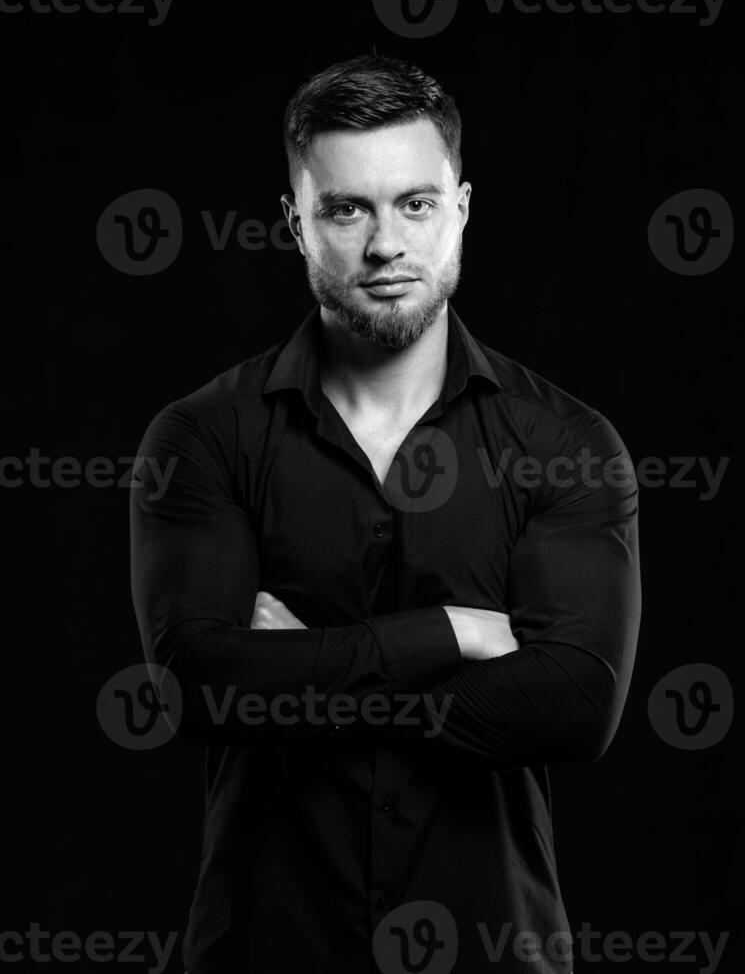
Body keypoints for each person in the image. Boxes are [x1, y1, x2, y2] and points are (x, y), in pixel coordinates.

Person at [130, 53, 641, 974]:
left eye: (413, 203)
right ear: (295, 224)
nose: (384, 245)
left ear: (461, 210)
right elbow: (195, 688)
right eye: (346, 209)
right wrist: (451, 631)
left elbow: (576, 707)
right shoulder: (201, 437)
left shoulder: (564, 441)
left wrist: (293, 674)